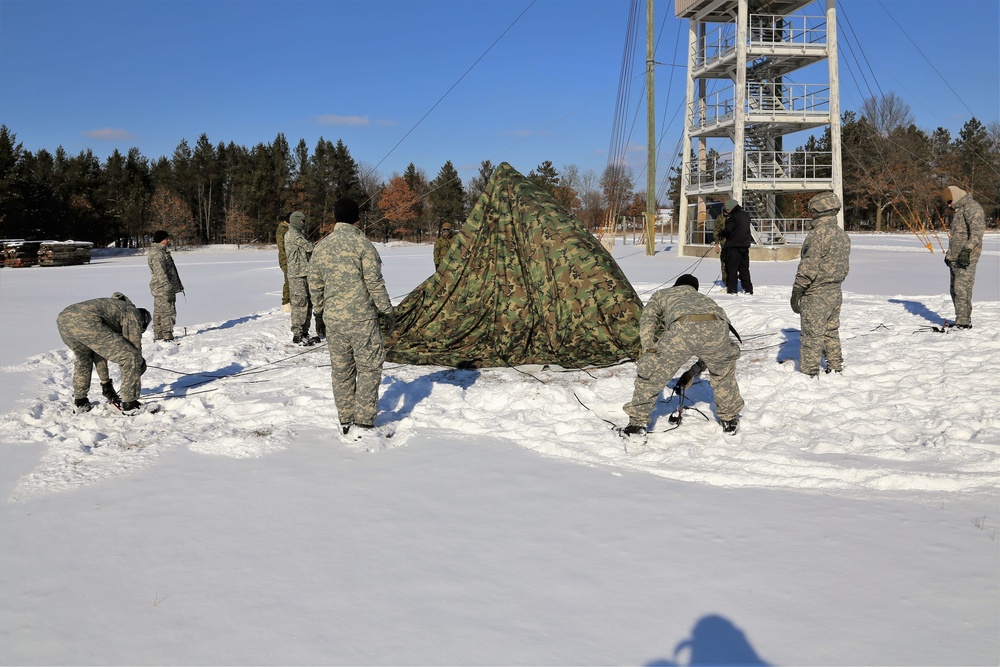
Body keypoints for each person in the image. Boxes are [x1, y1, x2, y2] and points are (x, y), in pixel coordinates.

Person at [309, 198, 394, 439]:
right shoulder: (362, 244)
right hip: (362, 320)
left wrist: (319, 314)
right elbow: (374, 282)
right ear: (357, 218)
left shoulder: (322, 246)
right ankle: (364, 422)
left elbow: (315, 285)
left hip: (334, 320)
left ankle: (345, 418)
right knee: (368, 368)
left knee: (342, 370)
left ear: (336, 218)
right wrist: (386, 311)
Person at [621, 274, 744, 439]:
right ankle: (729, 420)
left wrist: (649, 349)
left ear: (676, 286)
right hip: (718, 327)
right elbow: (711, 344)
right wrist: (695, 370)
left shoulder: (662, 294)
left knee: (651, 375)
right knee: (723, 374)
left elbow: (648, 319)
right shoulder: (705, 300)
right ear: (695, 289)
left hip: (682, 328)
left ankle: (637, 424)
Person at [56, 292, 151, 415]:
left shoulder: (114, 309)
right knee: (130, 357)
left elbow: (98, 352)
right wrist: (140, 365)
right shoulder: (132, 313)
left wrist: (105, 383)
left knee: (84, 360)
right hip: (87, 320)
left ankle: (81, 402)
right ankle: (130, 404)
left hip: (64, 320)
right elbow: (134, 348)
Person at [790, 191, 851, 377]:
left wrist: (797, 291)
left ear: (817, 211)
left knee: (812, 335)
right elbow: (844, 266)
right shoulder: (842, 235)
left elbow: (808, 267)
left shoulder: (817, 235)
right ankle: (835, 366)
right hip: (835, 291)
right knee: (831, 331)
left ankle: (809, 373)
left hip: (816, 293)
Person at [942, 185, 986, 329]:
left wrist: (967, 251)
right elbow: (956, 236)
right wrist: (949, 254)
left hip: (966, 257)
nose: (949, 205)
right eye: (947, 203)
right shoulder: (959, 210)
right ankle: (961, 318)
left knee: (962, 289)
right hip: (955, 256)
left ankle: (963, 321)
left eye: (950, 201)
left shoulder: (972, 208)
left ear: (956, 197)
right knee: (954, 289)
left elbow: (977, 233)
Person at [284, 211, 320, 346]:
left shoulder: (299, 234)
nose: (304, 224)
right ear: (296, 221)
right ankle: (297, 335)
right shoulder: (293, 234)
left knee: (309, 303)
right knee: (300, 304)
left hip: (305, 273)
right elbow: (309, 247)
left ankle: (305, 332)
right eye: (302, 221)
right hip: (297, 275)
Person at [148, 229, 184, 341]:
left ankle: (159, 336)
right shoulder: (158, 254)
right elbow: (160, 273)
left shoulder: (161, 252)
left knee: (159, 312)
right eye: (166, 238)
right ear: (160, 240)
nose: (168, 240)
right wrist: (168, 288)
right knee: (168, 312)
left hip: (160, 288)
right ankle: (167, 336)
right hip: (163, 288)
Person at [719, 199, 753, 295]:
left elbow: (729, 230)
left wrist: (722, 233)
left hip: (733, 246)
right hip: (745, 246)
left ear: (732, 208)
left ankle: (732, 290)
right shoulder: (746, 215)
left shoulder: (732, 217)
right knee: (744, 268)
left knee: (732, 269)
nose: (727, 211)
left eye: (728, 209)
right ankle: (748, 289)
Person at [276, 212, 291, 313]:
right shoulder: (282, 230)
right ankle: (286, 304)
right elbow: (283, 247)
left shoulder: (288, 229)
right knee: (288, 280)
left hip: (289, 258)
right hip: (286, 259)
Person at [712, 209, 728, 287]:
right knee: (724, 263)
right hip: (724, 245)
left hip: (734, 245)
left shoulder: (734, 217)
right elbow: (716, 231)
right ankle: (725, 281)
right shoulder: (720, 218)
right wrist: (717, 244)